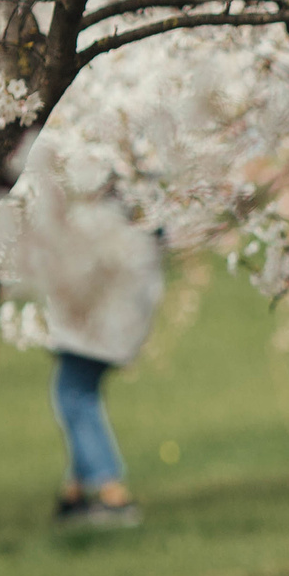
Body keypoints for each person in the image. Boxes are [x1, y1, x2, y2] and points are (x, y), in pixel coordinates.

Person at [40, 200, 166, 527]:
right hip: (107, 329)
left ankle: (112, 492)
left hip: (93, 330)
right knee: (79, 393)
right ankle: (74, 493)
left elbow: (76, 272)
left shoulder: (106, 222)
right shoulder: (140, 228)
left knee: (73, 397)